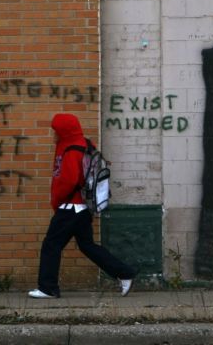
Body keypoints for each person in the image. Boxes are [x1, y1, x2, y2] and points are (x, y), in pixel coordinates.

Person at [28, 113, 136, 299]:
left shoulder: (71, 149)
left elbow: (68, 181)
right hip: (84, 207)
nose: (53, 135)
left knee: (51, 245)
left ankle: (48, 288)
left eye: (55, 131)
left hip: (71, 207)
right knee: (87, 245)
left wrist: (57, 202)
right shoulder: (86, 144)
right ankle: (124, 273)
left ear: (63, 131)